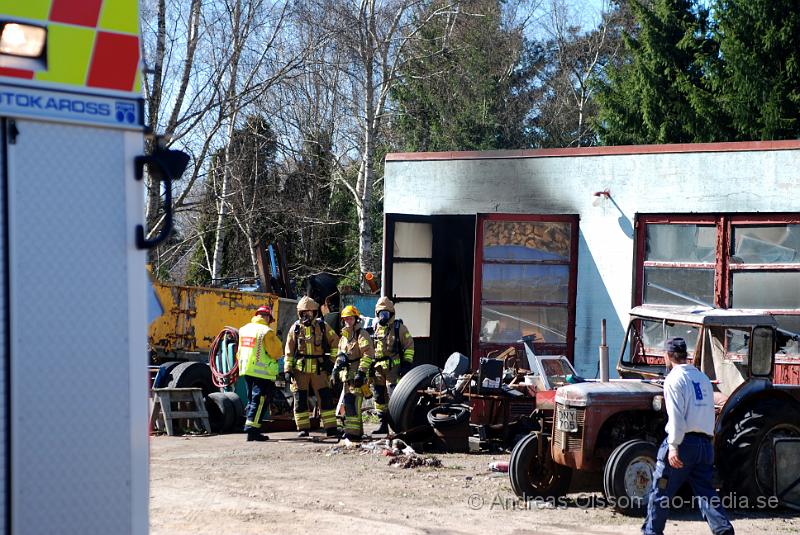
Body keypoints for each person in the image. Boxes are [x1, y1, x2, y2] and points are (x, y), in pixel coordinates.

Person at [642, 337, 734, 535]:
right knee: (706, 493)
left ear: (668, 356)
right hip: (704, 445)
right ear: (686, 355)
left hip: (683, 444)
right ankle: (724, 530)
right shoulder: (702, 378)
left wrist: (673, 445)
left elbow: (675, 414)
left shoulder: (674, 379)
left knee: (660, 491)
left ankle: (651, 532)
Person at [284, 296, 340, 438]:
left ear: (315, 312)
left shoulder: (323, 326)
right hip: (300, 370)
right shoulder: (295, 328)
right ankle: (302, 428)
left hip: (319, 369)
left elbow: (336, 343)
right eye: (304, 313)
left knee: (325, 398)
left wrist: (331, 362)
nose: (307, 315)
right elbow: (289, 351)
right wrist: (287, 369)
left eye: (310, 312)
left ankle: (331, 428)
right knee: (300, 399)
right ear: (299, 313)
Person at [365, 296, 414, 435]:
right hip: (377, 369)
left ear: (391, 314)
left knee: (394, 397)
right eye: (381, 313)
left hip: (393, 369)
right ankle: (382, 425)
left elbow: (409, 346)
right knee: (379, 397)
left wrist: (406, 363)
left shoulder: (399, 328)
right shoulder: (374, 328)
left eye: (386, 313)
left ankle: (397, 426)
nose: (383, 316)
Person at [236, 305, 283, 442]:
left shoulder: (244, 329)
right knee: (260, 400)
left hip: (247, 370)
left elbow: (239, 351)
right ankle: (253, 430)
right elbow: (275, 352)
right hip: (262, 372)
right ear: (267, 317)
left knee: (252, 399)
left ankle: (251, 428)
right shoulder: (266, 331)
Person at [334, 305, 374, 441]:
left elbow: (368, 354)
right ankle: (354, 431)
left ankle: (353, 433)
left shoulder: (361, 334)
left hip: (357, 375)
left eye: (350, 318)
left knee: (353, 403)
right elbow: (340, 355)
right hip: (347, 376)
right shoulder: (344, 337)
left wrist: (361, 373)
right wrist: (335, 371)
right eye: (345, 319)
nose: (348, 321)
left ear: (356, 319)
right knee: (348, 402)